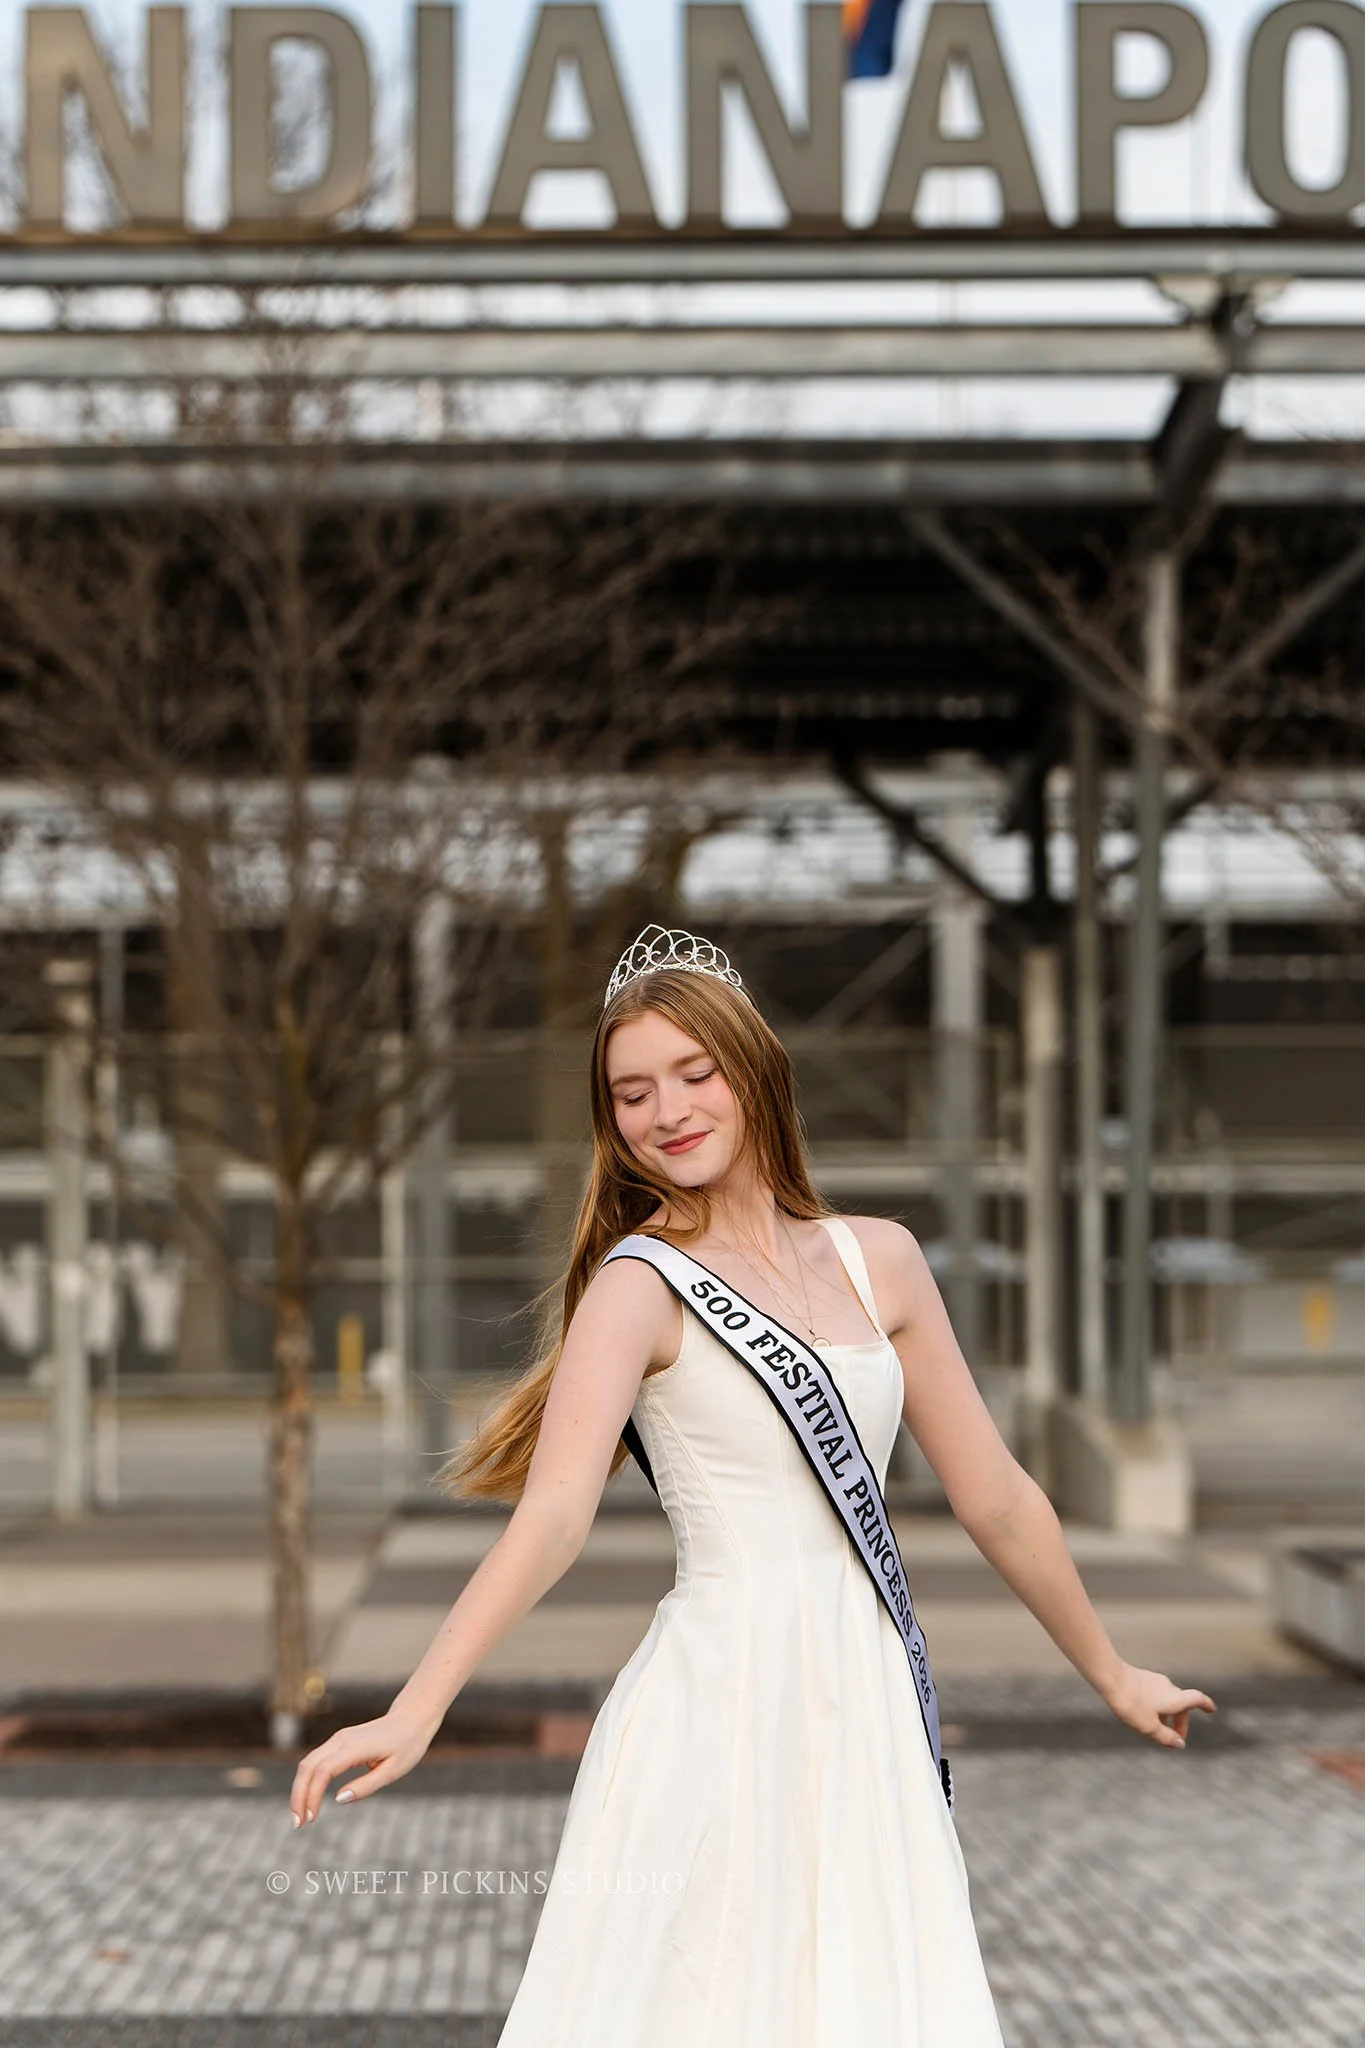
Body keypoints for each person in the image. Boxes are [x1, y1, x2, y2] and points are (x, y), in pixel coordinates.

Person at [289, 924, 1217, 2045]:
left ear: (755, 1071)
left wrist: (1111, 1670)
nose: (667, 1110)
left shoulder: (883, 1259)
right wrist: (417, 1706)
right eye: (633, 1092)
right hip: (721, 1700)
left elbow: (1000, 1499)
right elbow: (553, 1520)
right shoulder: (638, 1287)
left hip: (865, 1696)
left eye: (695, 1073)